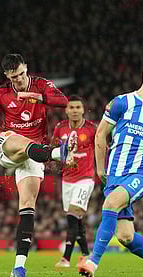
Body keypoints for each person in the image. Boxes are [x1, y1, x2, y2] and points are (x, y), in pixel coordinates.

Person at [0, 54, 76, 277]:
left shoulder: (41, 85)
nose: (19, 80)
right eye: (14, 77)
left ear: (27, 69)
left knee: (27, 206)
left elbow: (64, 102)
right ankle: (56, 153)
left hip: (34, 156)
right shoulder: (1, 94)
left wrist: (38, 97)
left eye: (22, 74)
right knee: (17, 140)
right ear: (7, 76)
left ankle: (19, 268)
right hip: (7, 147)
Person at [78, 57, 143, 277]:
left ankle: (92, 262)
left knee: (111, 203)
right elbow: (100, 135)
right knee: (125, 236)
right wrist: (100, 169)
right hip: (114, 175)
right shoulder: (121, 103)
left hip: (140, 175)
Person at [53, 95, 97, 268]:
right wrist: (60, 161)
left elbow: (103, 149)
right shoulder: (60, 128)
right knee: (75, 219)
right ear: (66, 110)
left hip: (86, 178)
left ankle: (66, 258)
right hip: (67, 179)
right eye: (71, 107)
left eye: (78, 107)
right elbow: (55, 150)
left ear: (83, 109)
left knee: (72, 214)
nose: (75, 111)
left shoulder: (92, 129)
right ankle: (86, 254)